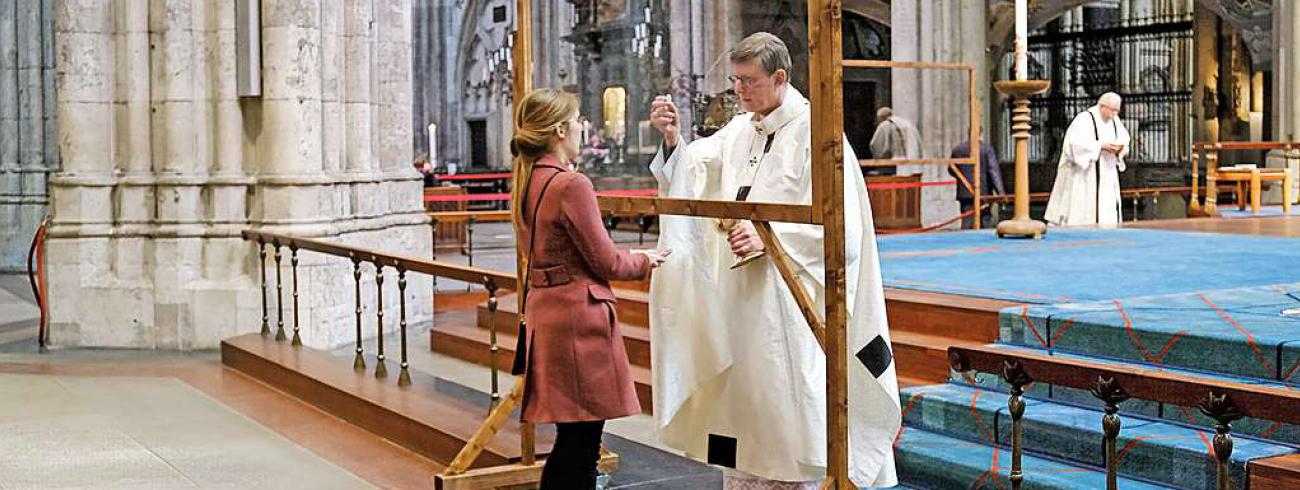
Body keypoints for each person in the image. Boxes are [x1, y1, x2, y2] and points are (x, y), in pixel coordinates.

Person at [647, 32, 900, 489]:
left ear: (780, 77)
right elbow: (695, 170)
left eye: (749, 81)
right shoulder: (742, 129)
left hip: (791, 301)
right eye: (735, 80)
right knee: (744, 414)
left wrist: (771, 238)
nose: (739, 90)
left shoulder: (817, 133)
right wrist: (672, 139)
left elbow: (844, 225)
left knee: (790, 411)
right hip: (741, 300)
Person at [508, 88, 671, 490]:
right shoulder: (570, 185)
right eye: (579, 120)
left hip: (548, 314)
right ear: (561, 129)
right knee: (581, 444)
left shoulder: (528, 180)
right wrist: (646, 258)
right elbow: (606, 262)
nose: (584, 127)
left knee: (573, 439)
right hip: (577, 323)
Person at [1044, 92, 1131, 226]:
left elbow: (1124, 139)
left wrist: (1120, 149)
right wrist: (1100, 146)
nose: (1114, 114)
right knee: (1083, 207)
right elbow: (1074, 146)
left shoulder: (1114, 121)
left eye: (1117, 111)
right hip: (1085, 174)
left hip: (1107, 172)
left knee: (1107, 210)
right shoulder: (1084, 119)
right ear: (1102, 106)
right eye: (1112, 110)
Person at [949, 139, 1005, 228]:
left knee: (966, 220)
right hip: (984, 192)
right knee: (984, 220)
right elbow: (993, 171)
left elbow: (951, 169)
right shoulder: (986, 149)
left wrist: (962, 179)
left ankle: (964, 240)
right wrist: (1000, 193)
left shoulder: (958, 149)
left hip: (964, 192)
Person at [867, 107, 922, 176]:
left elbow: (875, 145)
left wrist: (880, 157)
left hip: (896, 164)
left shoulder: (885, 124)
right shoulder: (908, 123)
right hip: (913, 162)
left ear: (881, 118)